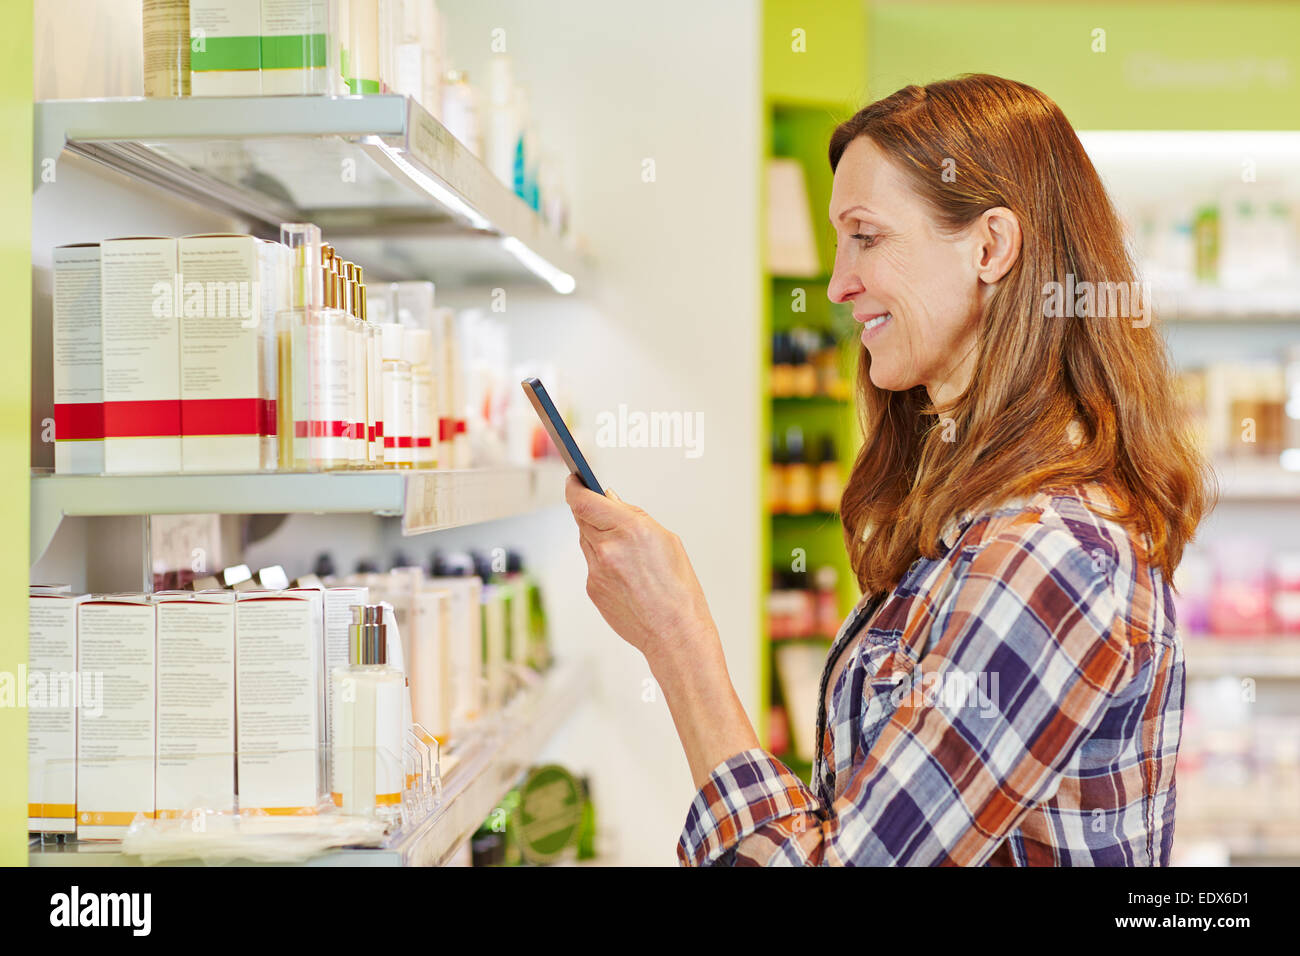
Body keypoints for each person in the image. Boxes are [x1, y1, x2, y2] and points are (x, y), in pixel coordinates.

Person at [564, 73, 1216, 866]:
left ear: (990, 247)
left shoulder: (1048, 554)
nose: (840, 283)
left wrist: (677, 641)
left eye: (867, 237)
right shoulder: (977, 521)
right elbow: (858, 834)